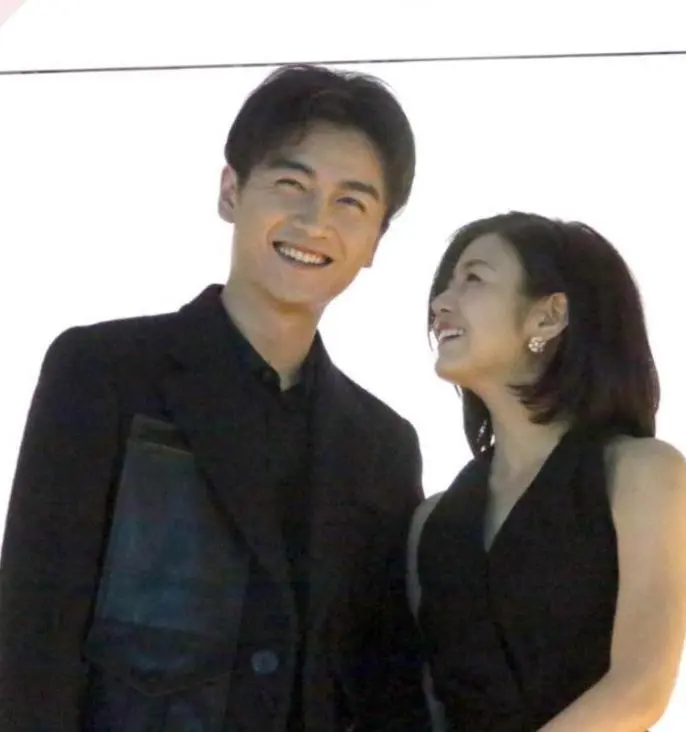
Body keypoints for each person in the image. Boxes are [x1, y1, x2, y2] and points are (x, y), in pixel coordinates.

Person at [0, 64, 429, 732]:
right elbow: (35, 629)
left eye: (351, 203)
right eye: (291, 185)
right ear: (231, 191)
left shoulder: (383, 447)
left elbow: (383, 683)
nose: (315, 221)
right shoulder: (101, 371)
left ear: (375, 240)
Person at [408, 212, 686, 732]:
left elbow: (640, 688)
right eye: (444, 285)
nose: (441, 303)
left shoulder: (641, 474)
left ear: (549, 316)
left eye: (473, 279)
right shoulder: (431, 524)